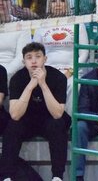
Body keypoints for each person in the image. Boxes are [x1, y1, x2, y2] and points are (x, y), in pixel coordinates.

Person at [0, 42, 70, 181]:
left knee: (58, 124)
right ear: (23, 61)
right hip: (27, 118)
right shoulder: (17, 78)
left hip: (49, 118)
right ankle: (6, 176)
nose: (33, 61)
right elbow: (15, 114)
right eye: (29, 57)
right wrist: (30, 86)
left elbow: (57, 113)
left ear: (45, 59)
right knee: (12, 126)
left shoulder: (58, 77)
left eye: (38, 56)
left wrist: (43, 84)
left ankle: (57, 176)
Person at [33, 0, 89, 114]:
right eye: (54, 1)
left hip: (72, 71)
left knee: (73, 85)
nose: (58, 4)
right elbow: (35, 52)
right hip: (47, 71)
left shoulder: (77, 23)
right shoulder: (41, 25)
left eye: (62, 0)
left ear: (67, 4)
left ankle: (68, 121)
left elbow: (84, 53)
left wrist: (70, 71)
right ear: (49, 5)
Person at [75, 51, 98, 181]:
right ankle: (78, 176)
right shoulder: (88, 79)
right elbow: (82, 109)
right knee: (79, 127)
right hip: (95, 121)